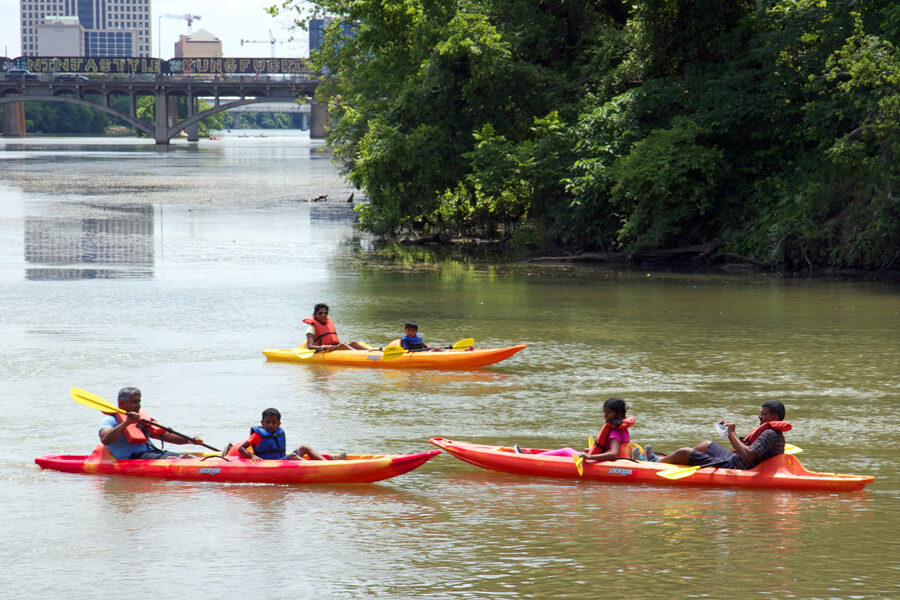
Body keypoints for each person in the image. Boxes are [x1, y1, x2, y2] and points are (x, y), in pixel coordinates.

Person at [643, 400, 791, 469]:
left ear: (775, 418)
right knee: (706, 444)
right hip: (735, 459)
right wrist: (730, 432)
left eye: (763, 414)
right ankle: (664, 459)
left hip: (736, 466)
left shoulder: (770, 434)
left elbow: (747, 455)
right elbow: (748, 450)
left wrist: (731, 434)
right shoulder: (771, 432)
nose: (760, 417)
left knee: (684, 452)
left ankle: (655, 464)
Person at [98, 387, 205, 459]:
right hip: (132, 458)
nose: (138, 405)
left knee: (186, 457)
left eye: (139, 401)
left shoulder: (141, 419)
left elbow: (165, 436)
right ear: (122, 403)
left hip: (152, 453)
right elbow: (105, 439)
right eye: (134, 402)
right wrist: (126, 423)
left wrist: (190, 440)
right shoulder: (110, 420)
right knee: (174, 459)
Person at [515, 397, 634, 462]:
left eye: (609, 413)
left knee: (566, 450)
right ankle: (534, 456)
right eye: (604, 412)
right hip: (614, 459)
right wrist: (592, 451)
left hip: (604, 462)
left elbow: (613, 454)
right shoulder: (621, 427)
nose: (605, 416)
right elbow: (612, 450)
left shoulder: (614, 431)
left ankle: (529, 458)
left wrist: (589, 457)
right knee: (569, 452)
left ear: (618, 413)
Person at [235, 408, 343, 461]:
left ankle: (326, 462)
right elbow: (241, 449)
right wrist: (252, 456)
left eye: (273, 423)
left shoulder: (278, 432)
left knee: (304, 447)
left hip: (282, 460)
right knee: (292, 456)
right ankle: (320, 466)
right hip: (272, 463)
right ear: (262, 423)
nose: (270, 425)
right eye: (267, 422)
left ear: (279, 424)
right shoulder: (257, 435)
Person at [303, 303, 369, 351]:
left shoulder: (328, 326)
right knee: (342, 346)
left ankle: (375, 352)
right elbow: (310, 346)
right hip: (323, 350)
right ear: (315, 314)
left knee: (353, 343)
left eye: (325, 313)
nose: (323, 315)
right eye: (320, 313)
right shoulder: (311, 328)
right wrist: (324, 347)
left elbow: (335, 342)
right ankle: (361, 355)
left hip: (334, 347)